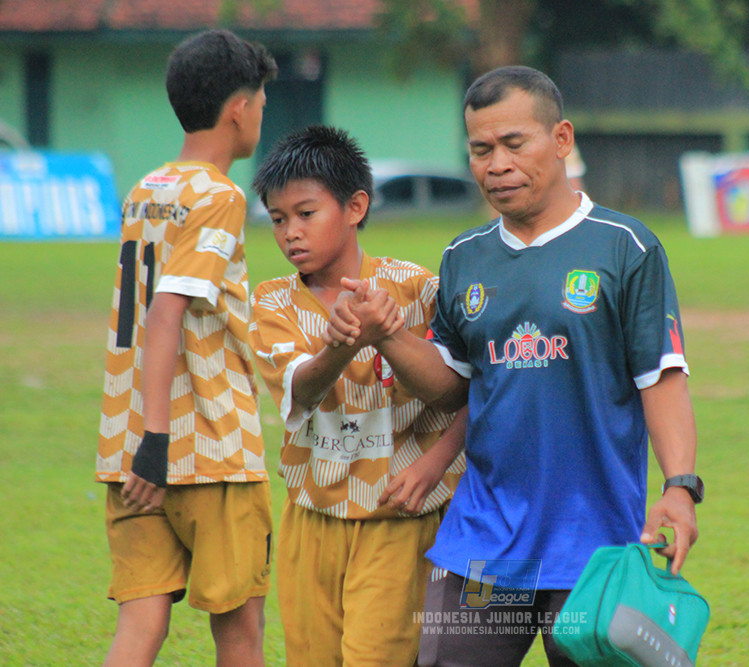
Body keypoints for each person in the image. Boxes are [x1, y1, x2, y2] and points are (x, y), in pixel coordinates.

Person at [329, 65, 701, 666]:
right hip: (485, 541)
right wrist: (389, 333)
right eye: (480, 150)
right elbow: (452, 388)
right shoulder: (464, 257)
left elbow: (661, 376)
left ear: (560, 140)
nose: (495, 164)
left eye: (513, 144)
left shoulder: (624, 247)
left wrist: (680, 486)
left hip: (595, 544)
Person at [248, 125, 467, 666]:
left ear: (354, 207)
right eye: (278, 220)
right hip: (311, 518)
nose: (290, 233)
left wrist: (435, 464)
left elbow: (468, 390)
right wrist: (343, 343)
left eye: (305, 213)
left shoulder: (417, 289)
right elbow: (299, 387)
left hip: (396, 521)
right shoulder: (272, 301)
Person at [95, 29, 276, 667]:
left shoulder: (146, 188)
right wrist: (159, 439)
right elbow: (169, 310)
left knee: (140, 625)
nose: (260, 113)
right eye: (259, 101)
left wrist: (140, 440)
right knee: (241, 632)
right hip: (206, 446)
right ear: (239, 109)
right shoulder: (219, 196)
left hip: (126, 448)